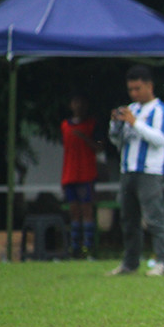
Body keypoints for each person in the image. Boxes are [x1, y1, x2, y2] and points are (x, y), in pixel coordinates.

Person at [107, 64, 164, 277]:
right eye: (131, 90)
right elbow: (116, 141)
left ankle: (162, 262)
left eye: (138, 88)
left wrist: (135, 123)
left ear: (149, 86)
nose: (134, 93)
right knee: (128, 219)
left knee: (154, 217)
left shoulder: (161, 111)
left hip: (149, 171)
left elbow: (160, 139)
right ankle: (130, 263)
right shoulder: (132, 109)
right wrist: (115, 125)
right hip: (128, 170)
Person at [61, 94, 104, 258]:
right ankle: (74, 247)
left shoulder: (91, 125)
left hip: (86, 174)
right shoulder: (65, 125)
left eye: (81, 102)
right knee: (74, 211)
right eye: (75, 101)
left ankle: (88, 247)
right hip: (70, 174)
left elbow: (99, 148)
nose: (78, 105)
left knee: (87, 209)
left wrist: (85, 139)